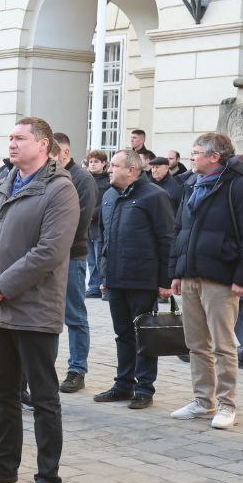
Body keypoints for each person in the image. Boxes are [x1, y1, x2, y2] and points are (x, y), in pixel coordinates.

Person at [0, 117, 80, 483]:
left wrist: (1, 286)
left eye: (20, 138)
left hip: (34, 309)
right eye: (10, 138)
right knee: (2, 390)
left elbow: (49, 251)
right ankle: (4, 465)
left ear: (44, 144)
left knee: (43, 397)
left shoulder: (59, 189)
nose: (12, 144)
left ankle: (48, 479)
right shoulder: (3, 182)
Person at [168, 132, 243, 430]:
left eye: (197, 152)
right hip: (191, 275)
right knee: (196, 344)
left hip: (221, 278)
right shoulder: (192, 184)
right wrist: (176, 271)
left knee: (224, 345)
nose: (191, 156)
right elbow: (179, 230)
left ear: (214, 157)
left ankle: (227, 404)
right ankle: (203, 401)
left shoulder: (242, 187)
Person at [93, 150, 174, 408]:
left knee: (144, 335)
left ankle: (144, 389)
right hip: (115, 279)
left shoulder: (155, 196)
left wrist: (165, 281)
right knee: (123, 334)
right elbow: (104, 239)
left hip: (142, 279)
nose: (109, 169)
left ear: (131, 170)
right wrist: (104, 274)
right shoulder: (109, 196)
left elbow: (166, 240)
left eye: (114, 165)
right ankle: (123, 385)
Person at [53, 133, 98, 394]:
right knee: (50, 315)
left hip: (72, 256)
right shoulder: (50, 175)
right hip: (49, 257)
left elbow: (80, 221)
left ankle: (77, 369)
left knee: (75, 315)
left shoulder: (82, 178)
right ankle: (45, 367)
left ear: (65, 153)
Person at [85, 151, 111, 298]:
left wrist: (92, 214)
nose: (93, 164)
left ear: (103, 163)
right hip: (86, 226)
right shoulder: (85, 179)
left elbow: (107, 203)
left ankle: (104, 287)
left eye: (96, 161)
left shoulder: (108, 181)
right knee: (90, 260)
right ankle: (93, 286)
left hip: (100, 225)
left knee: (100, 257)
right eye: (91, 162)